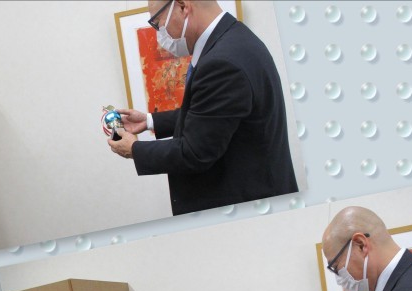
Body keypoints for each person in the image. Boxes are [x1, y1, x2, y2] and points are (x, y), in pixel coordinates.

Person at [108, 0, 298, 216]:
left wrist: (134, 149)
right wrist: (150, 121)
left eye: (157, 23)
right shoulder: (235, 39)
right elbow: (211, 114)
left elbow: (194, 153)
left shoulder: (223, 62)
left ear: (182, 6)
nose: (159, 33)